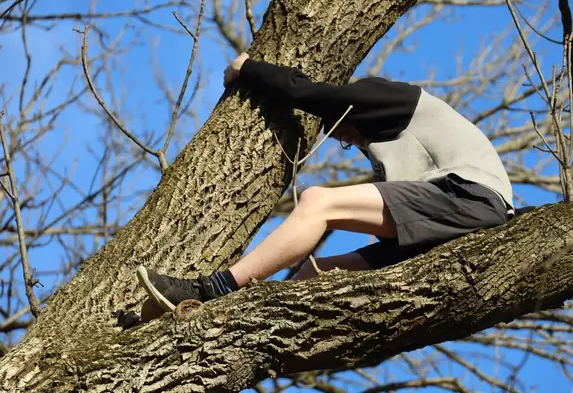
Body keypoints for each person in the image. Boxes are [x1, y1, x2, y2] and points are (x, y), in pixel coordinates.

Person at [136, 53, 514, 312]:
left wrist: (248, 67)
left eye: (343, 134)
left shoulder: (395, 100)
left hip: (466, 198)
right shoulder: (396, 153)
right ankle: (197, 318)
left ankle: (212, 289)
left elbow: (311, 94)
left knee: (319, 201)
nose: (346, 141)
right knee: (311, 276)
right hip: (450, 221)